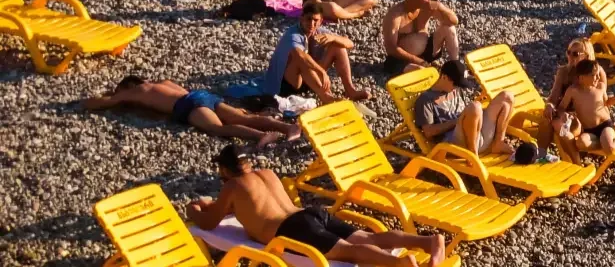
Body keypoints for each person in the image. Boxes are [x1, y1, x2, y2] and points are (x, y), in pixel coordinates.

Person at [194, 145, 448, 267]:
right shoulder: (267, 174)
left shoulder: (233, 186)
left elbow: (208, 223)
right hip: (309, 214)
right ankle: (428, 242)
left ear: (226, 169)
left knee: (351, 252)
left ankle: (400, 265)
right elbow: (246, 208)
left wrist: (194, 209)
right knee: (368, 237)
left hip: (292, 229)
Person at [80, 76, 302, 143]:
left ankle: (262, 136)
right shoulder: (163, 83)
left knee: (218, 129)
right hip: (200, 95)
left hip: (188, 105)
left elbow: (102, 103)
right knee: (247, 117)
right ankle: (288, 127)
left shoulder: (138, 90)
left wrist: (83, 102)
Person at [553, 54, 615, 178]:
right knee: (580, 144)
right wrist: (564, 115)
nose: (597, 78)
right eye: (593, 75)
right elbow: (561, 108)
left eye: (597, 74)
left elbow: (607, 102)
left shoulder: (600, 87)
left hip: (605, 125)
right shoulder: (573, 91)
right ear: (581, 78)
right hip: (589, 130)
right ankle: (605, 141)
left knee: (609, 149)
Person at [415, 59, 517, 156]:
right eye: (455, 84)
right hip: (455, 143)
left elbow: (470, 113)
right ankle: (472, 155)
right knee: (475, 106)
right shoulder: (425, 100)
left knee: (507, 97)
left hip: (476, 134)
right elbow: (428, 132)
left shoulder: (456, 90)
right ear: (444, 77)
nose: (457, 88)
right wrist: (456, 121)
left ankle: (498, 142)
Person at [277, 1, 363, 101]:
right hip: (290, 83)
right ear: (301, 18)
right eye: (308, 19)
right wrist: (322, 72)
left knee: (338, 46)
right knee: (300, 56)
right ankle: (326, 97)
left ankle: (350, 90)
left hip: (311, 80)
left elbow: (350, 44)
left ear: (321, 21)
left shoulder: (319, 32)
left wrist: (333, 38)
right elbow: (300, 56)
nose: (311, 24)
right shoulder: (293, 34)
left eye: (315, 20)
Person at [381, 0, 460, 73]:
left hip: (428, 52)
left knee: (449, 28)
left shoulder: (427, 7)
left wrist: (440, 7)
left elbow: (454, 21)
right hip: (404, 59)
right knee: (419, 71)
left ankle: (456, 65)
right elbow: (391, 48)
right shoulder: (395, 15)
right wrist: (417, 61)